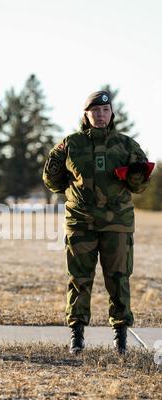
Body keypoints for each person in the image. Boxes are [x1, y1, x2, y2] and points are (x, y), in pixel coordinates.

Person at [43, 90, 154, 354]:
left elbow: (139, 187)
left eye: (105, 111)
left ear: (112, 114)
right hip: (80, 222)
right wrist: (74, 195)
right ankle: (77, 335)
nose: (101, 115)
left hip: (117, 224)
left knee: (119, 279)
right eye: (95, 111)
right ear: (86, 115)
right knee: (79, 279)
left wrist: (137, 176)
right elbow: (51, 178)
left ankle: (121, 336)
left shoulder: (127, 145)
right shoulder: (70, 144)